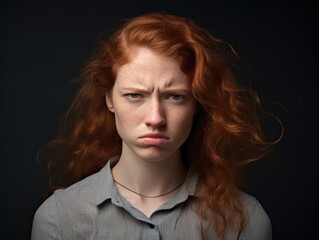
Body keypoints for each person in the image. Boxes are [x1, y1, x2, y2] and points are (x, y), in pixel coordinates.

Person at [31, 11, 279, 240]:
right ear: (109, 99)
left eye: (174, 96)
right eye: (135, 95)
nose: (156, 118)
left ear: (197, 103)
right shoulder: (58, 218)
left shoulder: (245, 220)